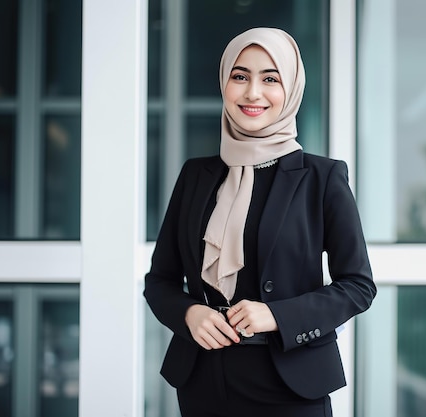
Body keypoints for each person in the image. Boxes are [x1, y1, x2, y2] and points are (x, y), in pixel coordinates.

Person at [144, 27, 376, 417]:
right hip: (204, 383)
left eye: (270, 78)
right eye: (240, 76)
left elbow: (358, 286)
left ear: (292, 88)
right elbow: (160, 281)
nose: (253, 92)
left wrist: (277, 315)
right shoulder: (196, 175)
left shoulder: (321, 178)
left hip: (290, 388)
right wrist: (189, 314)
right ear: (225, 84)